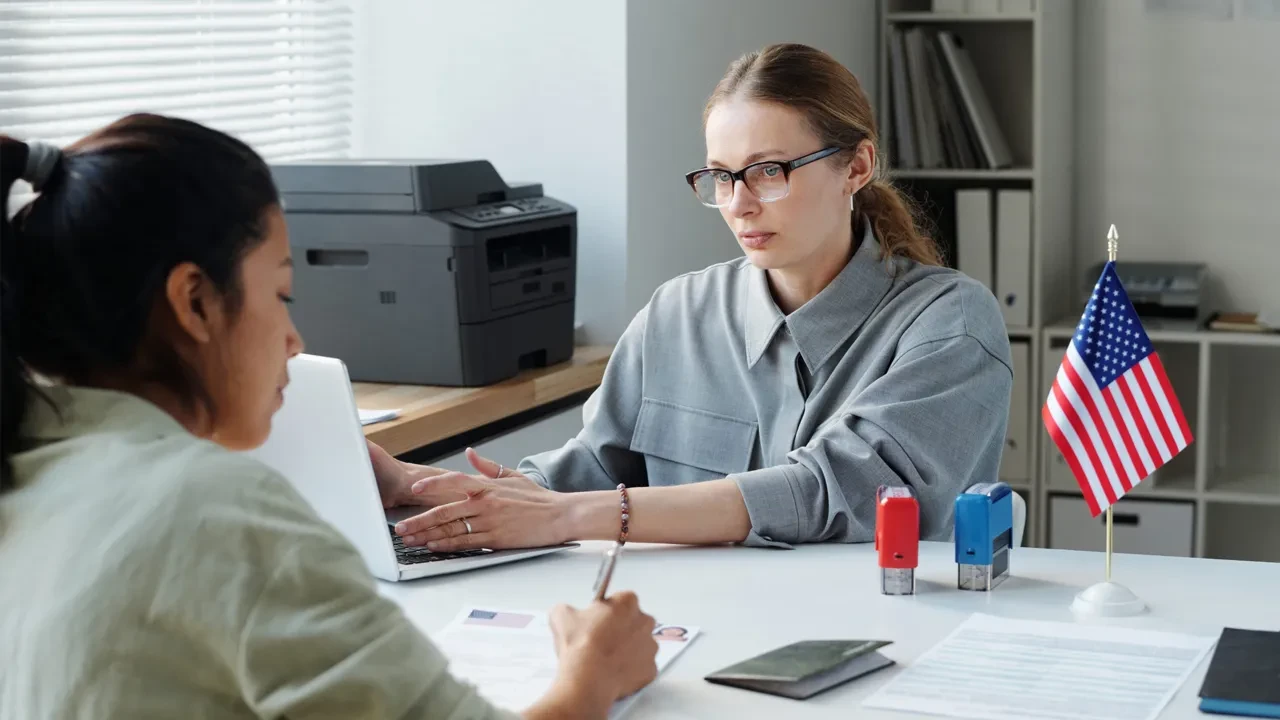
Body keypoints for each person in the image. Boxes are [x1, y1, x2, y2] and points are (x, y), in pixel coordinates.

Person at [0, 116, 658, 719]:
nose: (294, 338)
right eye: (281, 294)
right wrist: (591, 676)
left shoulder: (29, 460)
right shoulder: (213, 512)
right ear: (195, 303)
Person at [381, 42, 1013, 552]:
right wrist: (418, 485)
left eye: (769, 171)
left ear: (855, 167)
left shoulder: (950, 323)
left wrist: (566, 517)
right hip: (687, 639)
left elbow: (829, 491)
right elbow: (584, 477)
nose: (737, 203)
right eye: (720, 176)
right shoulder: (676, 314)